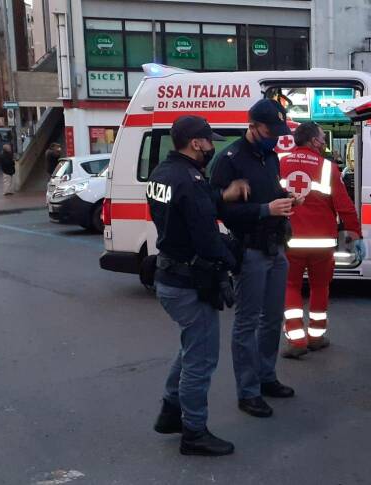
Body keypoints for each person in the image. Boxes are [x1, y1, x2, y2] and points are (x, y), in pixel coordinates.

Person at [148, 115, 251, 456]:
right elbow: (206, 239)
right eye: (208, 141)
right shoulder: (189, 181)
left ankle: (170, 410)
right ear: (195, 143)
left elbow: (196, 203)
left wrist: (225, 193)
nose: (211, 147)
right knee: (201, 359)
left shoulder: (164, 173)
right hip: (190, 282)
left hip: (169, 276)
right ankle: (193, 432)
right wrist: (233, 260)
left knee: (191, 348)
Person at [210, 99, 301, 419]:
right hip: (249, 251)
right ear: (252, 127)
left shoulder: (270, 157)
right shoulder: (229, 161)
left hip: (276, 247)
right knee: (247, 323)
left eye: (278, 131)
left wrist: (287, 200)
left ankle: (266, 376)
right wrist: (265, 210)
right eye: (268, 130)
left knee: (273, 318)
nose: (274, 136)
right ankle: (247, 392)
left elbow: (270, 194)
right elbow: (220, 210)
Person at [279, 122, 362, 358]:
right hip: (322, 241)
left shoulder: (280, 163)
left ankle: (296, 340)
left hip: (290, 238)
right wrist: (355, 233)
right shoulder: (328, 167)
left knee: (290, 286)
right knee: (320, 286)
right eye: (322, 139)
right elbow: (344, 206)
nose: (324, 143)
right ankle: (316, 337)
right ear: (313, 141)